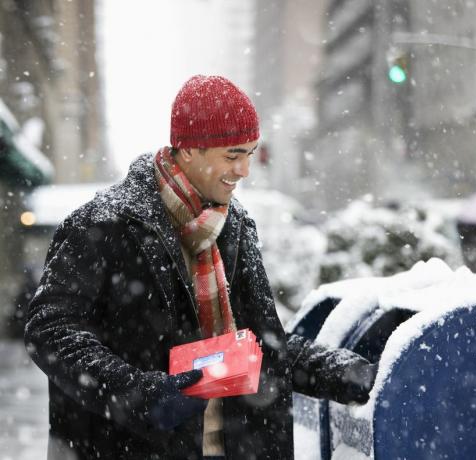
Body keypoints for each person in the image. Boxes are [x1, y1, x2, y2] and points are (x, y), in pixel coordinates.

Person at [25, 75, 377, 460]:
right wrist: (140, 395)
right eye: (232, 155)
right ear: (189, 150)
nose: (244, 169)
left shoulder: (234, 226)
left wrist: (337, 373)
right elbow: (50, 330)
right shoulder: (103, 225)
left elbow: (260, 344)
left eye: (250, 153)